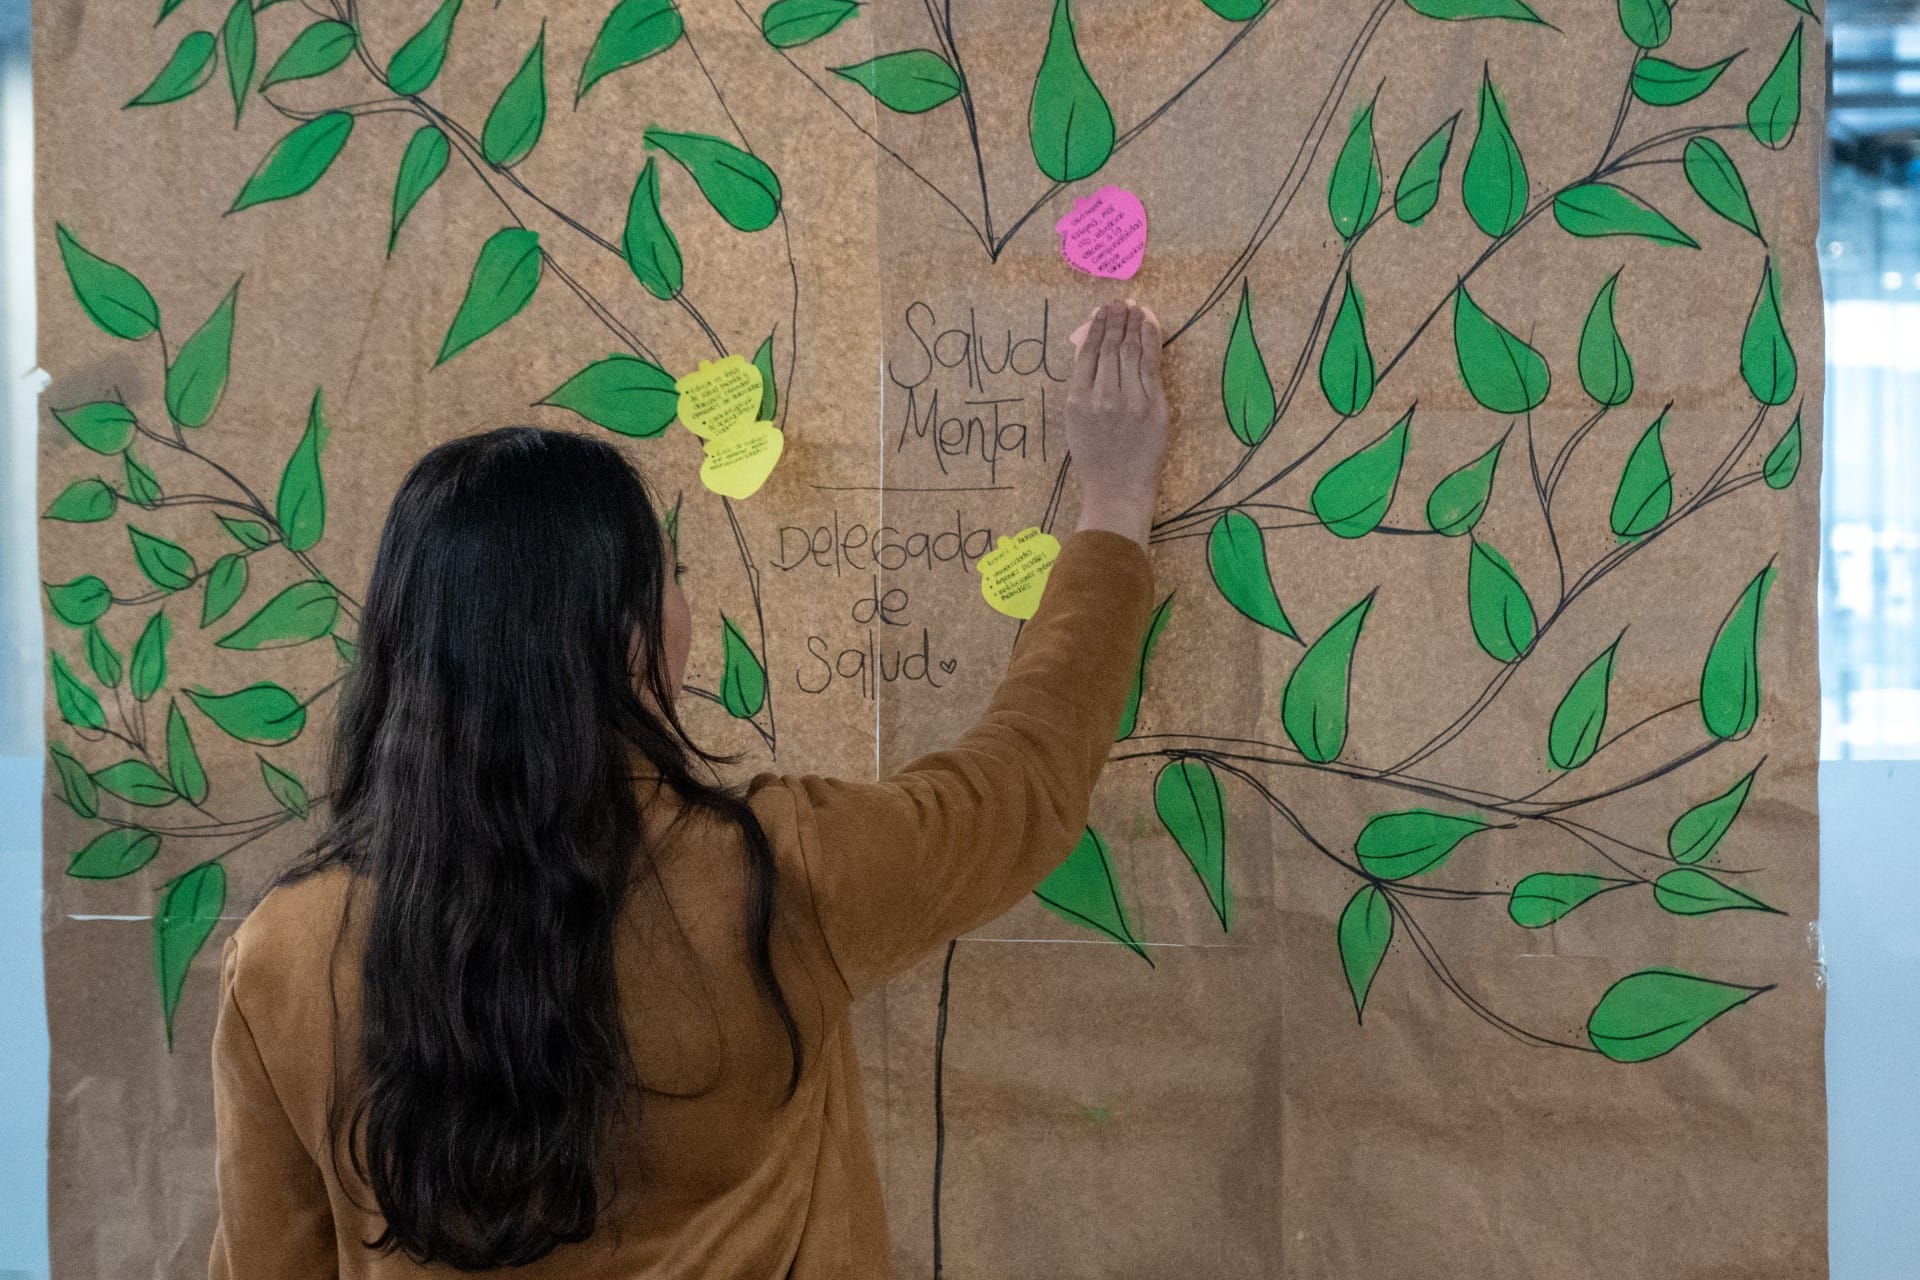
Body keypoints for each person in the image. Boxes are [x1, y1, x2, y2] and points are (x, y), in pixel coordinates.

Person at [208, 300, 1167, 1278]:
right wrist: (1116, 503)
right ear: (627, 639)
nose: (686, 610)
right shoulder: (780, 872)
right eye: (670, 577)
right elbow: (1022, 778)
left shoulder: (282, 956)